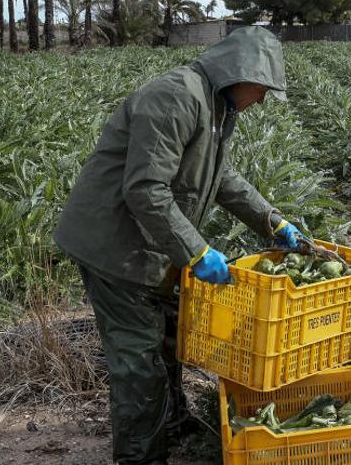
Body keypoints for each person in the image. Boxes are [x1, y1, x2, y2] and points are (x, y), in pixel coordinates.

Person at [53, 26, 305, 465]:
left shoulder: (216, 106)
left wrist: (272, 221)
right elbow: (146, 189)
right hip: (115, 247)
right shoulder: (176, 97)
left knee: (172, 335)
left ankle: (170, 423)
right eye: (262, 89)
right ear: (237, 73)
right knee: (139, 361)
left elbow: (221, 177)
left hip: (151, 244)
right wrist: (197, 251)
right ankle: (141, 456)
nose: (262, 99)